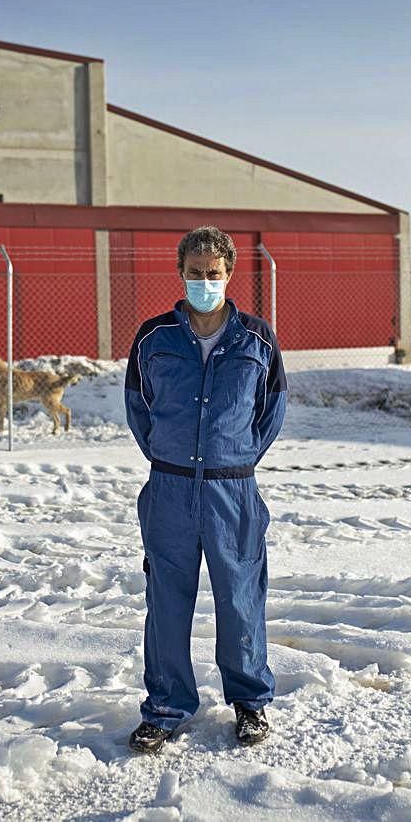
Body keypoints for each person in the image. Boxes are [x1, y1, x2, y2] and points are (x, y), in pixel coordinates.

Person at [124, 225, 287, 754]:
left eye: (213, 274)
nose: (204, 282)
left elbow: (270, 412)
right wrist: (168, 456)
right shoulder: (154, 338)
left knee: (240, 598)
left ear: (229, 274)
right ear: (180, 273)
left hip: (232, 491)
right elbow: (139, 406)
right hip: (169, 490)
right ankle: (166, 707)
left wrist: (233, 458)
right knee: (167, 601)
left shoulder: (257, 339)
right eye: (195, 273)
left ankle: (250, 703)